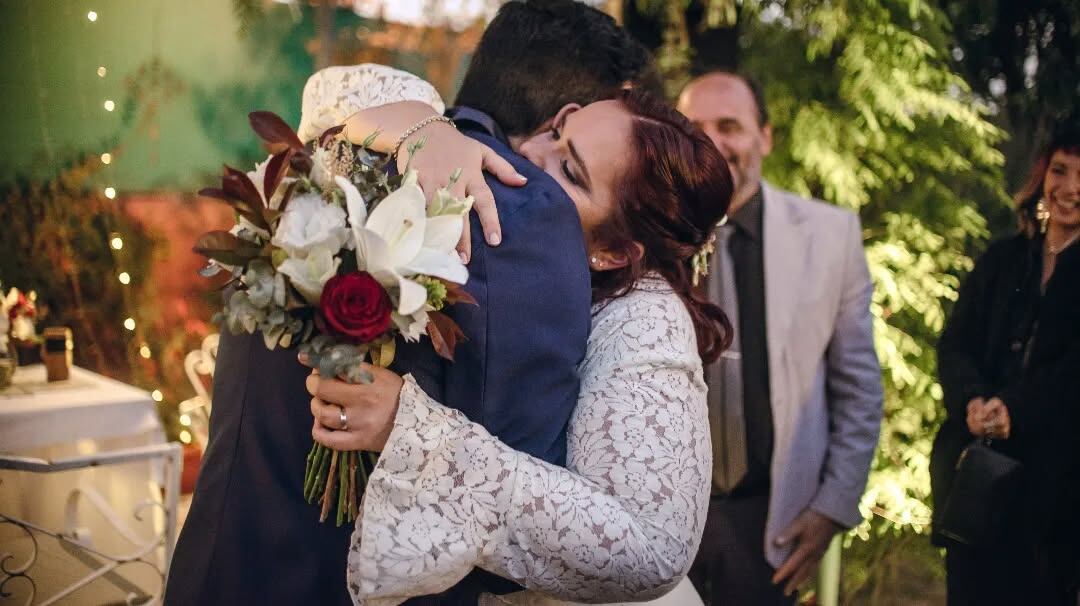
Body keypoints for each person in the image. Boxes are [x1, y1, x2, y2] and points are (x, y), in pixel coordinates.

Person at [164, 2, 658, 604]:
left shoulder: (338, 140)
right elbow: (504, 553)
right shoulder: (524, 223)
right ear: (567, 113)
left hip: (216, 563)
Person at [304, 86, 733, 605]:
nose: (531, 155)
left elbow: (651, 549)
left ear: (616, 252)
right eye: (556, 131)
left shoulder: (646, 316)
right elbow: (339, 104)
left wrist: (410, 430)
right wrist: (427, 129)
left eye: (570, 173)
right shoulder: (501, 240)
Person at [676, 71, 883, 604]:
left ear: (764, 137)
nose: (713, 142)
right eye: (695, 127)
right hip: (660, 515)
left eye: (730, 126)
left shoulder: (831, 236)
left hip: (768, 523)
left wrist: (833, 506)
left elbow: (858, 389)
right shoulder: (643, 232)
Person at [931, 126, 1080, 605]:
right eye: (1060, 170)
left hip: (1057, 492)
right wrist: (972, 400)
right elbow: (954, 344)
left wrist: (1016, 409)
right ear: (1042, 175)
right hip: (979, 483)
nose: (1070, 188)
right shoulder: (1002, 259)